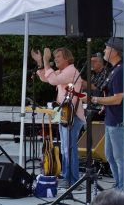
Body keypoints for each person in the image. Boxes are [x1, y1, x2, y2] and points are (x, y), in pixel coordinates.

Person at [31, 46, 85, 188]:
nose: (55, 59)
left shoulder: (71, 71)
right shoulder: (63, 71)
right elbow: (46, 78)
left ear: (67, 58)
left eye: (58, 57)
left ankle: (73, 180)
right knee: (65, 148)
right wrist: (41, 64)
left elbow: (53, 80)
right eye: (54, 57)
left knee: (69, 148)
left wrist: (46, 60)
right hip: (65, 115)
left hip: (72, 116)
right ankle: (68, 178)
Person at [88, 37, 124, 191]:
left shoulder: (122, 70)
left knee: (120, 157)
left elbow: (117, 99)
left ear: (115, 51)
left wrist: (96, 99)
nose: (104, 51)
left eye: (106, 48)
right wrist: (104, 104)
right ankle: (118, 185)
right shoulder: (116, 69)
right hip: (111, 118)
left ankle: (123, 188)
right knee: (109, 155)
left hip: (119, 120)